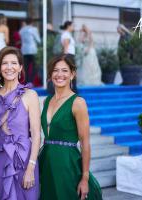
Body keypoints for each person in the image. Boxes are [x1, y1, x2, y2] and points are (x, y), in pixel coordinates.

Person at [39, 54, 102, 200]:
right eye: (55, 70)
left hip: (68, 164)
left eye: (64, 70)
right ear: (50, 74)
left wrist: (85, 178)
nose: (59, 74)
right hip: (47, 162)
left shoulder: (78, 102)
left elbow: (85, 143)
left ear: (72, 74)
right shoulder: (47, 101)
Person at [0, 46, 41, 200]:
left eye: (14, 63)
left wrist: (31, 168)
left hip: (24, 160)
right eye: (5, 63)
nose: (9, 67)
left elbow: (37, 135)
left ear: (20, 68)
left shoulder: (30, 95)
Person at [19, 18, 41, 84]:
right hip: (33, 50)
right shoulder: (34, 29)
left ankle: (26, 81)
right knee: (35, 67)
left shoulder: (21, 30)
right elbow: (38, 40)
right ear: (32, 22)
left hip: (24, 50)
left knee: (26, 67)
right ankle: (30, 81)